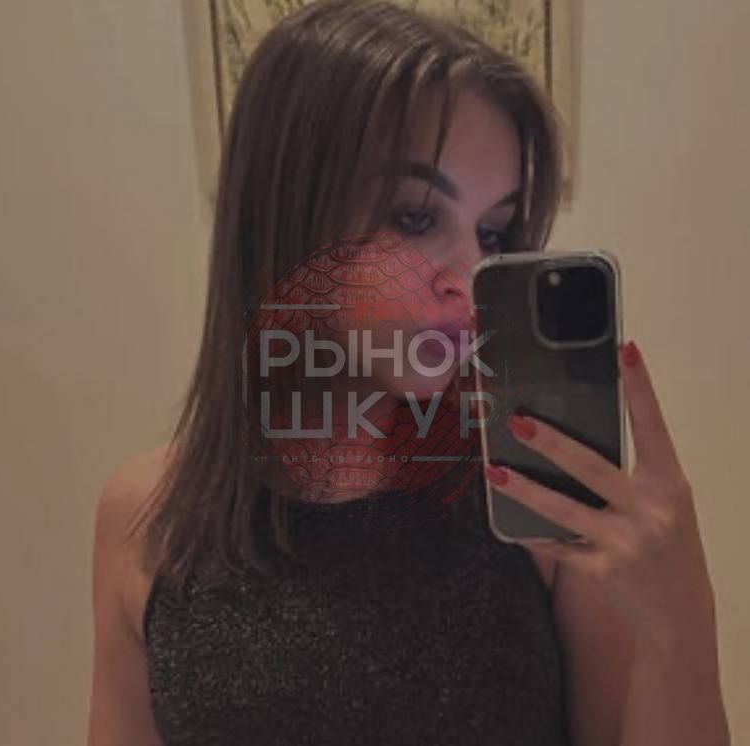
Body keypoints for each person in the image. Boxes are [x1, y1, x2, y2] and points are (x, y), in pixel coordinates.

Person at [87, 1, 731, 744]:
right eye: (415, 217)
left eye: (494, 232)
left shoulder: (533, 500)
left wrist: (680, 620)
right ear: (287, 211)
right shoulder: (147, 518)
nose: (471, 276)